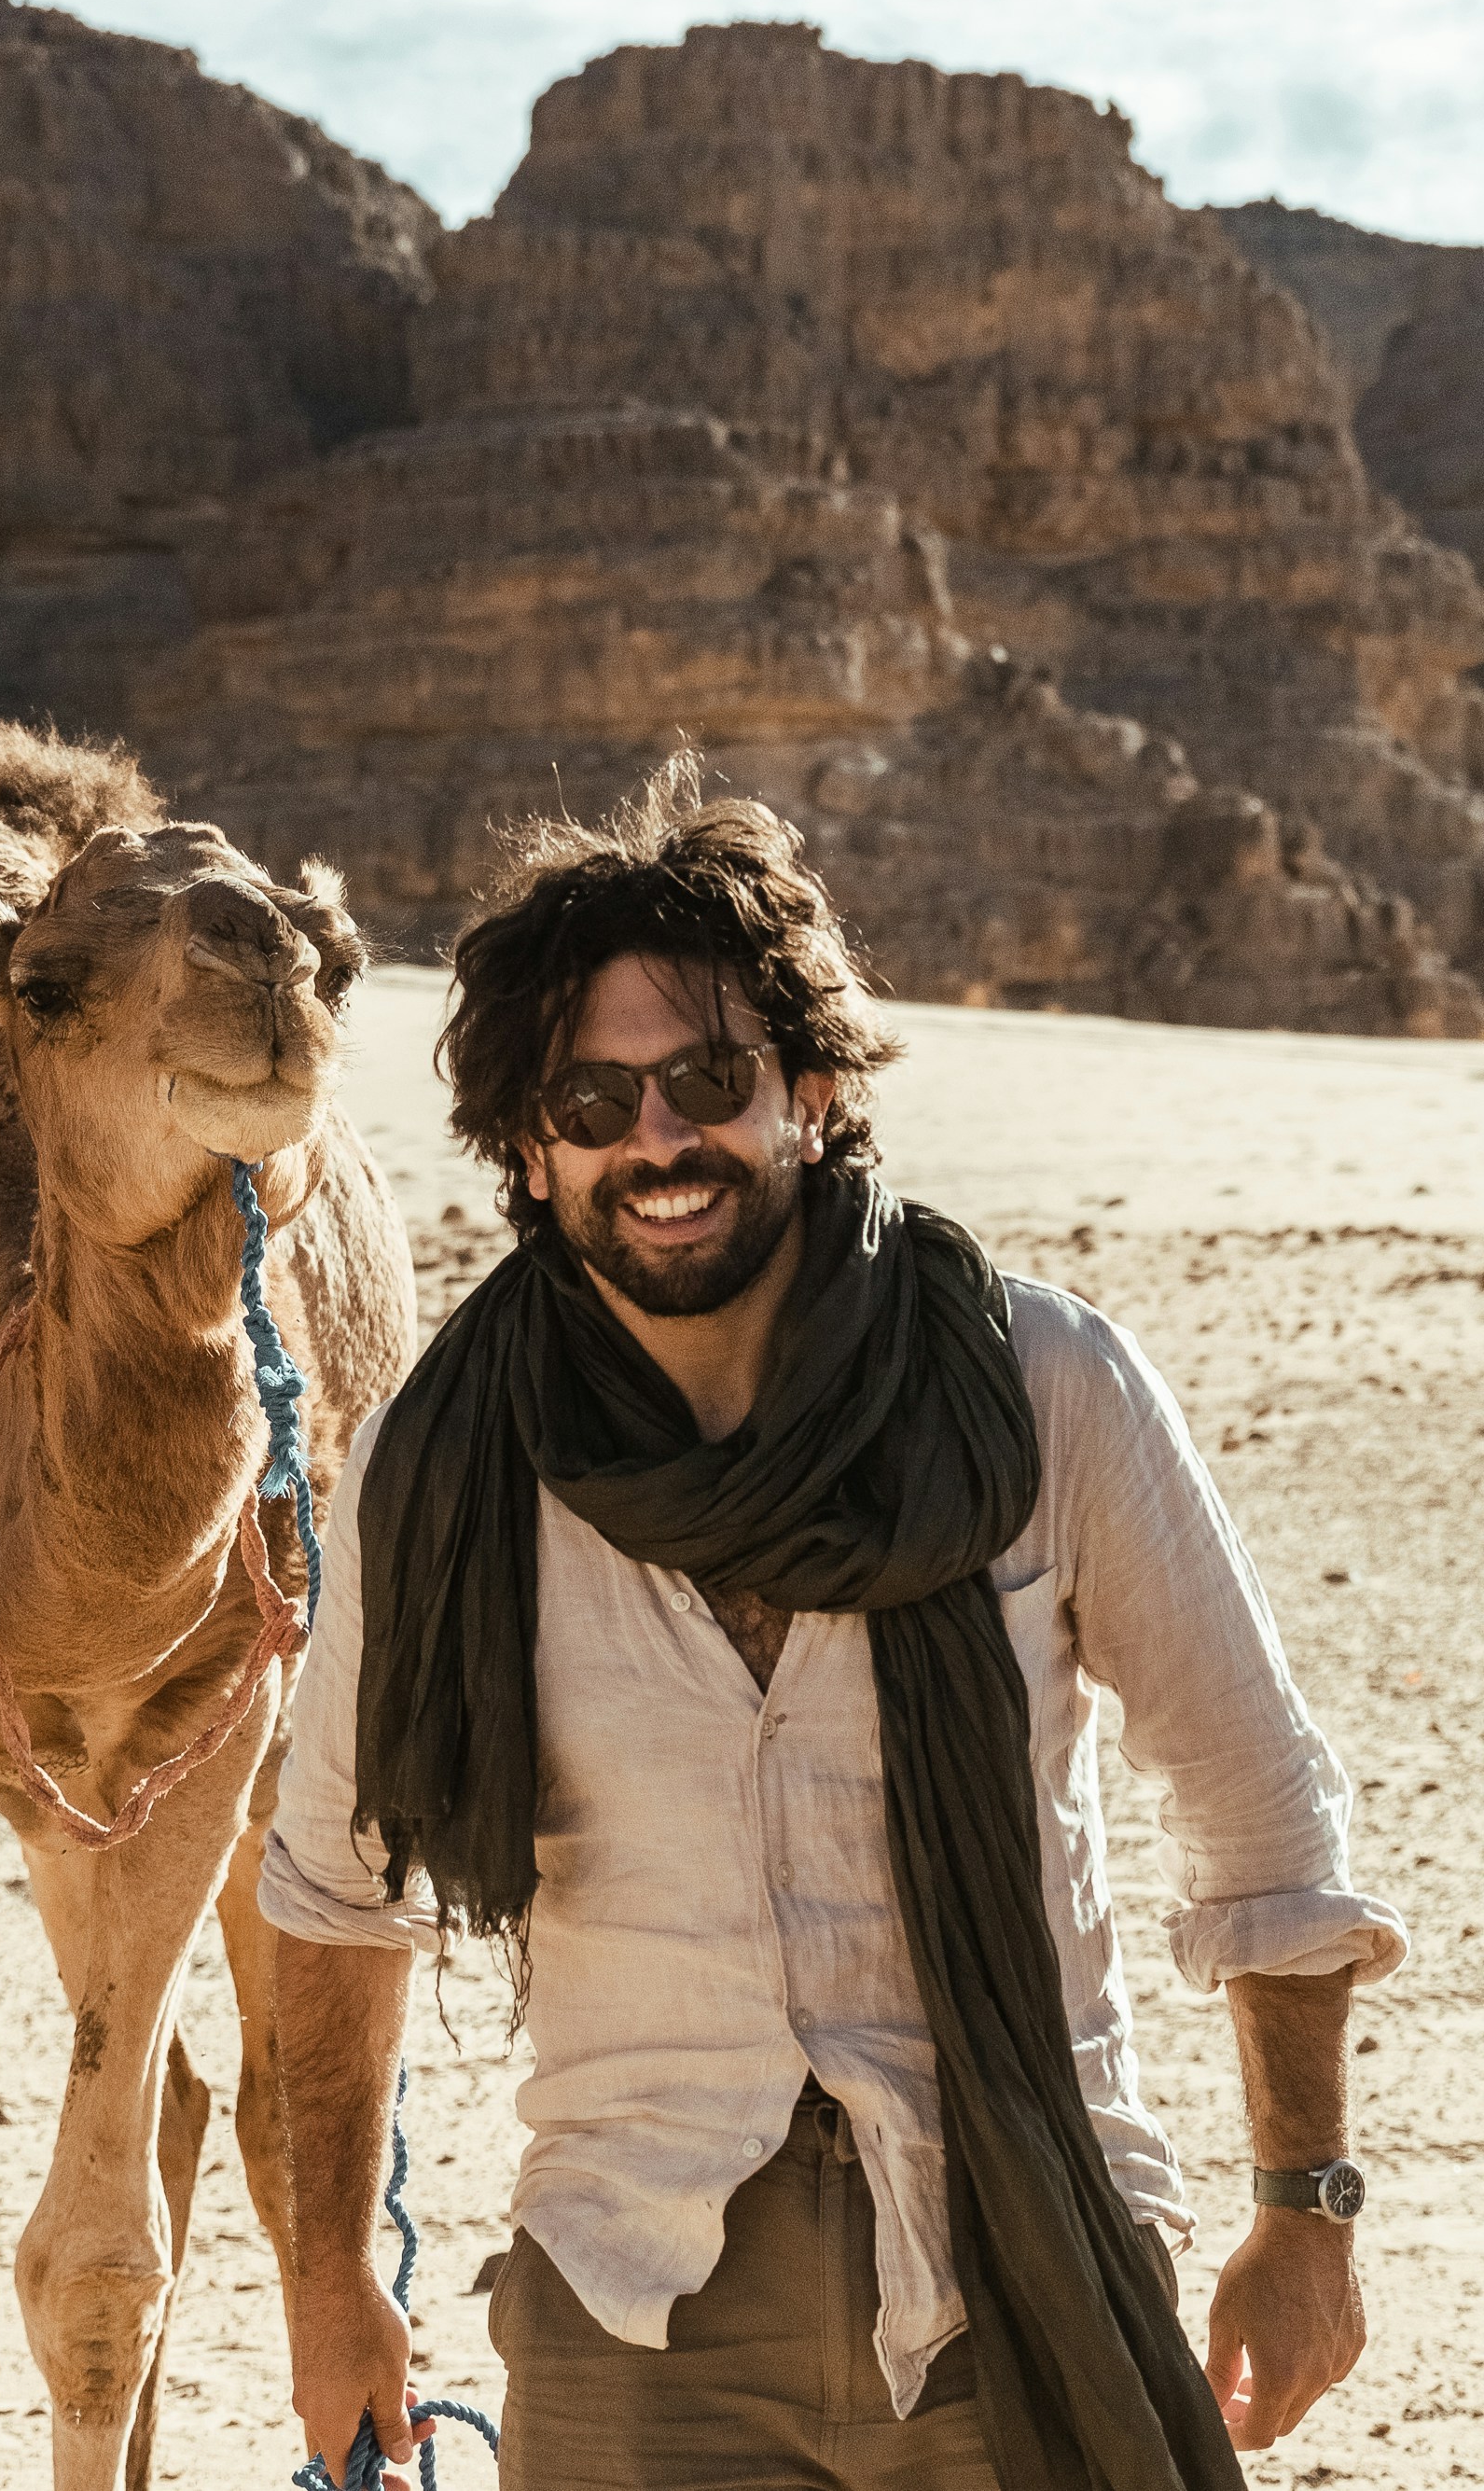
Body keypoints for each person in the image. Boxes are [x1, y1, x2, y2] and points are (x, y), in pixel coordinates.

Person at [258, 763, 1406, 2491]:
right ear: (527, 1146)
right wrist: (329, 2280)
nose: (658, 1140)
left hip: (1022, 2262)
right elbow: (333, 1897)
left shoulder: (1037, 1388)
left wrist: (1303, 2213)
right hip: (636, 2296)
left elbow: (1264, 1819)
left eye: (708, 1079)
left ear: (807, 1095)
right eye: (594, 1097)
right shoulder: (449, 1466)